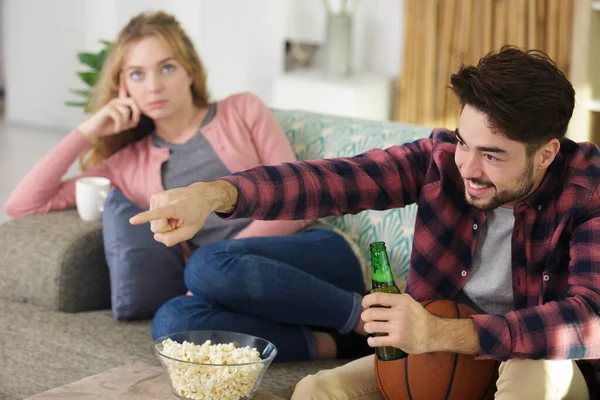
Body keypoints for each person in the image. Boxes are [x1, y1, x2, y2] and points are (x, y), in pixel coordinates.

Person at [130, 46, 600, 399]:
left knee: (532, 372)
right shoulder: (441, 162)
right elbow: (329, 182)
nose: (469, 168)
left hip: (533, 357)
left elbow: (589, 319)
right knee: (315, 392)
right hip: (442, 351)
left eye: (492, 155)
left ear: (546, 154)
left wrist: (439, 333)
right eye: (464, 143)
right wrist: (212, 194)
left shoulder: (588, 189)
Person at [3, 11, 371, 362]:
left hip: (313, 256)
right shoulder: (128, 164)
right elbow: (23, 205)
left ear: (190, 71)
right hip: (235, 290)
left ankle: (363, 318)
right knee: (172, 322)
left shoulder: (241, 110)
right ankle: (336, 346)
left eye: (166, 67)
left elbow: (298, 199)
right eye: (136, 74)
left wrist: (219, 265)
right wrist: (86, 131)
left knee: (206, 265)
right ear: (121, 86)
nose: (154, 86)